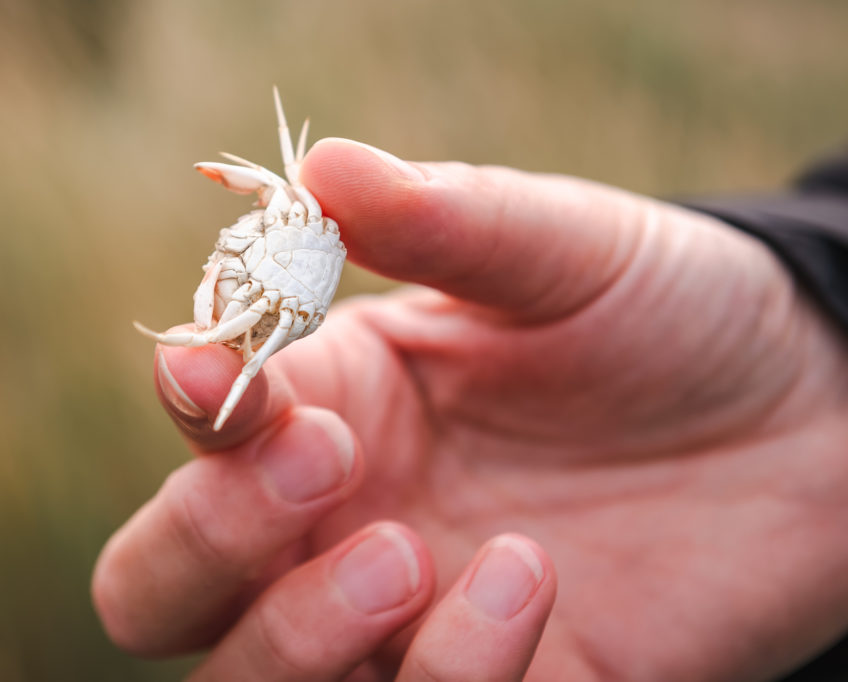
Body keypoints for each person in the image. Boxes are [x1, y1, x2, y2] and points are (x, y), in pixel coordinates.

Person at [92, 138, 848, 681]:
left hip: (287, 292)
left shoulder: (300, 237)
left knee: (234, 337)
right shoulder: (300, 227)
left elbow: (263, 311)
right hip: (288, 284)